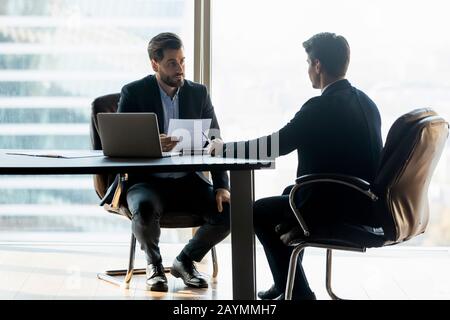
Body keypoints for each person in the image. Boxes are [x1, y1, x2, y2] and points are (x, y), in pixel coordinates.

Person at [209, 32, 383, 300]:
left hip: (336, 206)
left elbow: (274, 146)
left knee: (258, 212)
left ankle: (300, 294)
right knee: (285, 196)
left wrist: (224, 149)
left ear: (317, 66)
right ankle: (284, 283)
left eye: (307, 63)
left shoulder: (320, 108)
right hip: (362, 202)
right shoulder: (366, 102)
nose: (308, 71)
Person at [111, 32, 231, 292]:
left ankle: (185, 261)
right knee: (143, 210)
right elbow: (120, 144)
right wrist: (152, 142)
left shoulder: (198, 93)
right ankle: (155, 266)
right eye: (172, 63)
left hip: (188, 181)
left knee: (229, 214)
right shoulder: (134, 92)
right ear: (155, 64)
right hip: (147, 182)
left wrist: (222, 185)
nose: (180, 69)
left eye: (183, 61)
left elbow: (216, 140)